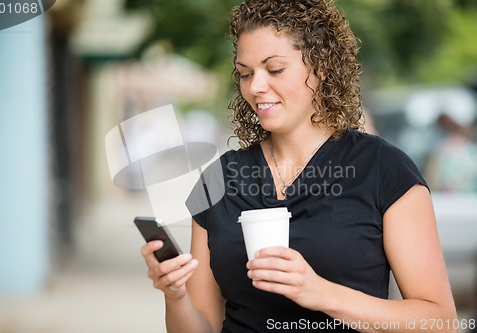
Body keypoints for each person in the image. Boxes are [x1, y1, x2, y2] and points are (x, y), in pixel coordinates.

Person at [141, 0, 457, 332]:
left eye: (274, 69)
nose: (255, 86)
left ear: (321, 67)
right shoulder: (218, 181)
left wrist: (321, 293)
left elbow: (441, 322)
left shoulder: (384, 170)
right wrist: (175, 295)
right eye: (245, 73)